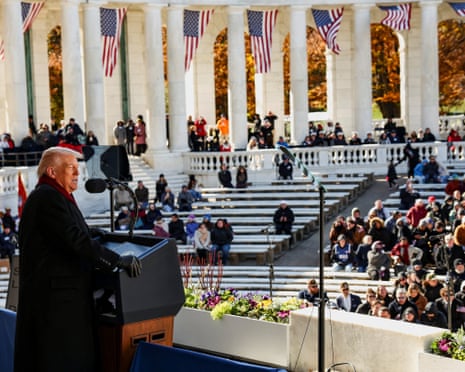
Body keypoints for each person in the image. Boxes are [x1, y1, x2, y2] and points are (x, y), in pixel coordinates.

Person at [14, 147, 141, 372]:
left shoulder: (51, 195)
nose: (78, 174)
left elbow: (63, 233)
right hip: (57, 307)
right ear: (52, 172)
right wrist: (117, 260)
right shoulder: (48, 197)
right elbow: (74, 240)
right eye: (71, 167)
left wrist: (92, 232)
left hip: (59, 302)